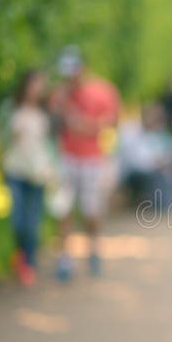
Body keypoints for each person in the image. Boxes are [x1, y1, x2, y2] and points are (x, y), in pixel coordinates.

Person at [48, 46, 120, 281]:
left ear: (83, 69)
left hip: (91, 159)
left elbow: (110, 123)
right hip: (67, 158)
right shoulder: (59, 94)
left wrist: (82, 125)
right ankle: (65, 259)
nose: (70, 77)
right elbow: (54, 124)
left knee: (91, 212)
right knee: (64, 209)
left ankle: (93, 248)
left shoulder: (102, 91)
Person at [0, 69, 57, 286]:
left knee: (32, 222)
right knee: (18, 220)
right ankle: (21, 254)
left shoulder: (45, 113)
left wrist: (52, 169)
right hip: (15, 170)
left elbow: (50, 146)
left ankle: (28, 263)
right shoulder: (10, 109)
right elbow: (0, 138)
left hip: (38, 173)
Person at [117, 101, 172, 209]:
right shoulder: (130, 131)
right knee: (158, 175)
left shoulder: (157, 132)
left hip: (153, 167)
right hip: (134, 171)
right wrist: (157, 163)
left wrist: (164, 161)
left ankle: (169, 201)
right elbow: (135, 160)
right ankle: (161, 204)